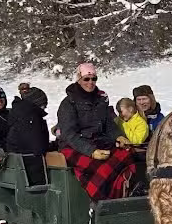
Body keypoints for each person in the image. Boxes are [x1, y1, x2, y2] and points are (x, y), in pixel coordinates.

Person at [57, 63, 135, 201]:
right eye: (86, 79)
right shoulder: (68, 103)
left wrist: (119, 136)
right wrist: (91, 151)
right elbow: (69, 134)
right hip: (74, 145)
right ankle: (100, 202)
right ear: (79, 79)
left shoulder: (101, 100)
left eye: (94, 79)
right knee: (102, 167)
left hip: (98, 141)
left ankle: (121, 194)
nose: (90, 82)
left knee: (127, 155)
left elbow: (108, 124)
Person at [7, 86, 53, 156]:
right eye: (44, 104)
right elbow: (39, 148)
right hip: (29, 161)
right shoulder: (32, 118)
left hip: (18, 158)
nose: (45, 107)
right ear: (37, 104)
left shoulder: (20, 113)